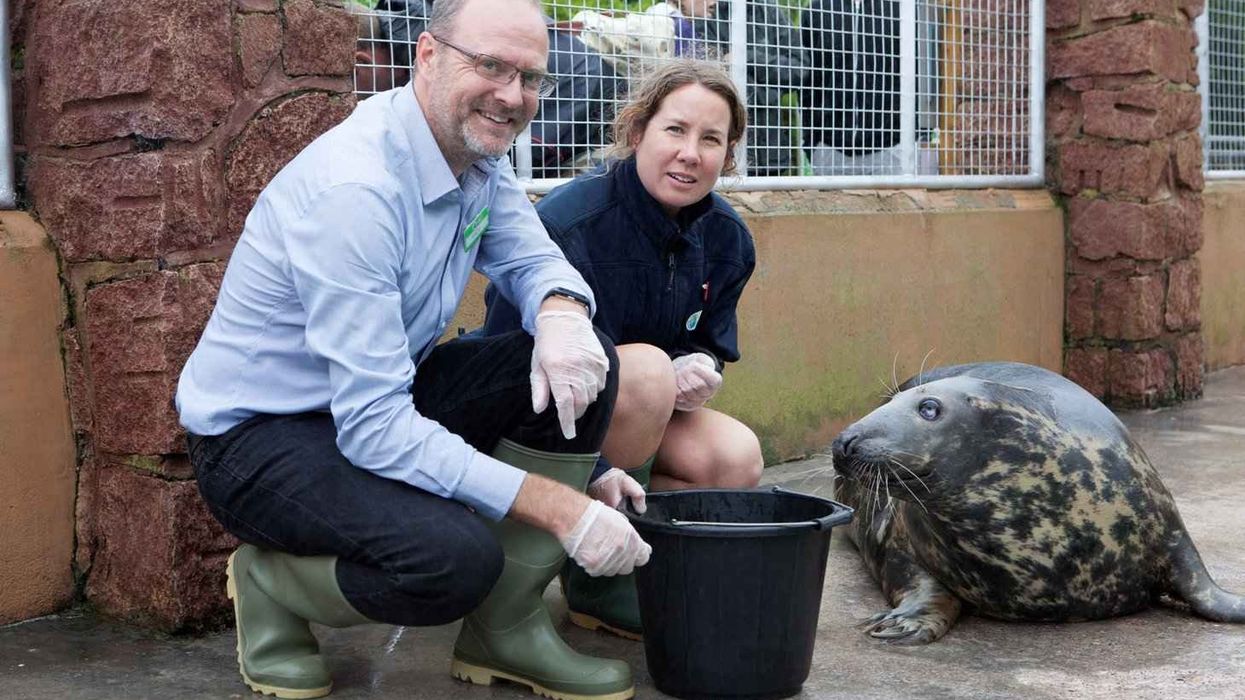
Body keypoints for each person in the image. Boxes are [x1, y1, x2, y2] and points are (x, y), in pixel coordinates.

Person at [176, 0, 652, 698]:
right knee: (452, 561)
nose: (511, 95)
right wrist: (561, 506)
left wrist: (558, 312)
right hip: (261, 438)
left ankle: (506, 630)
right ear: (427, 55)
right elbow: (373, 429)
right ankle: (270, 583)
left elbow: (532, 258)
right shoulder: (356, 191)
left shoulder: (472, 154)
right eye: (489, 66)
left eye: (529, 77)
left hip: (379, 397)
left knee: (588, 362)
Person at [480, 60, 764, 642]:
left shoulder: (728, 238)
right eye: (675, 130)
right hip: (530, 431)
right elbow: (505, 362)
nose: (690, 153)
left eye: (711, 139)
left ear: (727, 155)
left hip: (634, 418)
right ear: (638, 132)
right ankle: (593, 578)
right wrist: (602, 468)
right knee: (643, 370)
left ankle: (636, 562)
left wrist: (703, 366)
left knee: (736, 457)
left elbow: (708, 341)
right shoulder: (570, 221)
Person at [695, 0, 811, 176]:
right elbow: (707, 75)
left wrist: (747, 58)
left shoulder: (771, 12)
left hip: (772, 148)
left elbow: (799, 69)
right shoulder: (709, 13)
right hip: (724, 150)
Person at [800, 0, 902, 175]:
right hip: (830, 149)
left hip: (889, 149)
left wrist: (912, 137)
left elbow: (917, 75)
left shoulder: (898, 10)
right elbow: (807, 80)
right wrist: (812, 141)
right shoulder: (817, 10)